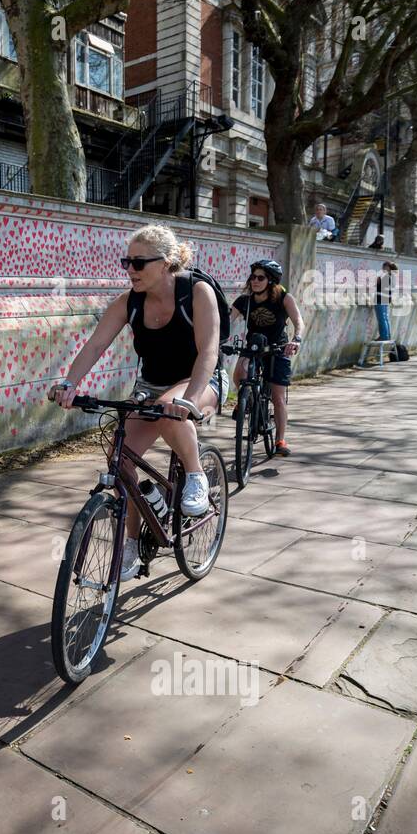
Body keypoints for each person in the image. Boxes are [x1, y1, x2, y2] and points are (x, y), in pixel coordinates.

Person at [48, 224, 224, 581]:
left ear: (167, 263)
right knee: (121, 458)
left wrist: (190, 400)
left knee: (167, 409)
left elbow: (209, 350)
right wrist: (69, 384)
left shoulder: (197, 292)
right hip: (151, 385)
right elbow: (96, 345)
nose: (130, 269)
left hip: (198, 382)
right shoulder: (129, 301)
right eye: (126, 261)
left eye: (139, 263)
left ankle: (195, 475)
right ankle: (130, 543)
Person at [232, 259, 304, 456]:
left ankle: (280, 440)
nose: (255, 281)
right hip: (254, 346)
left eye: (260, 277)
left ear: (270, 280)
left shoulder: (283, 298)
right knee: (239, 373)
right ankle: (246, 400)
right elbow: (226, 321)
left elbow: (299, 322)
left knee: (278, 397)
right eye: (253, 277)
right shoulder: (244, 301)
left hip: (278, 348)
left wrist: (296, 339)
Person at [373, 261, 398, 341]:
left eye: (384, 266)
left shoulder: (384, 276)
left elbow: (375, 284)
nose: (382, 268)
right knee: (385, 319)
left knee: (381, 319)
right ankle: (387, 336)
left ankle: (383, 336)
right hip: (386, 299)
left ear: (388, 267)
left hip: (380, 298)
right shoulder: (392, 276)